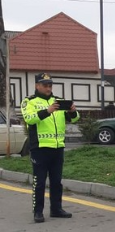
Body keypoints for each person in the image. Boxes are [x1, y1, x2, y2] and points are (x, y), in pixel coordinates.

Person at [20, 73, 80, 223]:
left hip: (58, 147)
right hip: (39, 147)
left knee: (56, 181)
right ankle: (38, 212)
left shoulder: (58, 101)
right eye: (45, 85)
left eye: (50, 85)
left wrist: (73, 111)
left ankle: (56, 209)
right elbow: (30, 119)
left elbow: (75, 118)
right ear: (37, 85)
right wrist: (48, 111)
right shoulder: (29, 101)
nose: (48, 88)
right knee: (39, 182)